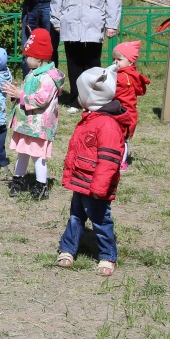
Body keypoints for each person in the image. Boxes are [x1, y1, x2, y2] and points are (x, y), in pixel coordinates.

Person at [55, 63, 131, 277]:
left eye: (80, 93)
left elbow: (108, 160)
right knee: (75, 216)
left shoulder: (106, 124)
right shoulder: (91, 117)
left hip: (97, 186)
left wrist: (100, 187)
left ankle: (107, 255)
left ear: (91, 97)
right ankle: (68, 248)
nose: (77, 97)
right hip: (81, 181)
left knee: (100, 219)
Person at [2, 29, 65, 199]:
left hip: (38, 125)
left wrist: (20, 95)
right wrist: (17, 91)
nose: (25, 59)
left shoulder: (48, 78)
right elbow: (27, 91)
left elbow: (41, 99)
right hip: (26, 124)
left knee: (38, 156)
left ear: (39, 59)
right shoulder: (33, 73)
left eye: (27, 56)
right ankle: (18, 180)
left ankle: (41, 186)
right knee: (22, 152)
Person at [111, 40, 150, 171]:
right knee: (120, 138)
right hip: (125, 112)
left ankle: (121, 161)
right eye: (113, 59)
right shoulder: (130, 75)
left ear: (131, 62)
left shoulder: (123, 77)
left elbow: (112, 92)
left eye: (119, 59)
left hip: (123, 113)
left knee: (121, 138)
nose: (115, 62)